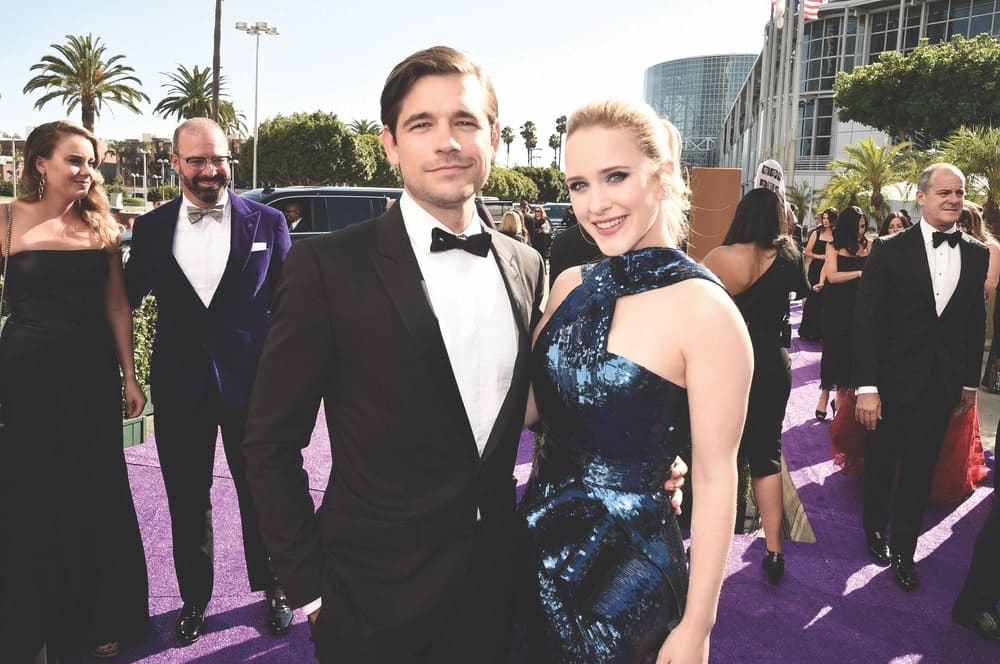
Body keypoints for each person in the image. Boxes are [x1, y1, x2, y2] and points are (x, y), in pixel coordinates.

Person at [240, 46, 547, 663]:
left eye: (465, 122)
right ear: (390, 144)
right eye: (421, 124)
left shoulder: (528, 266)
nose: (447, 142)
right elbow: (269, 444)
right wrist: (311, 589)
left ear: (491, 136)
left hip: (498, 591)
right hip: (369, 600)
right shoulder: (328, 268)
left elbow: (541, 411)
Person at [518, 99, 751, 662]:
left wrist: (698, 625)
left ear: (663, 172)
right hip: (530, 550)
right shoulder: (570, 284)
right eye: (578, 184)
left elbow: (718, 477)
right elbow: (523, 411)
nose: (595, 204)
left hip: (628, 574)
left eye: (615, 176)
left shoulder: (706, 311)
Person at [123, 117, 292, 645]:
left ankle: (274, 588)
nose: (208, 169)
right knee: (187, 499)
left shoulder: (268, 223)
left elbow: (290, 308)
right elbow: (121, 301)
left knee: (261, 493)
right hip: (179, 389)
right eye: (195, 160)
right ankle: (194, 599)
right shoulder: (150, 230)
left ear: (229, 158)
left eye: (216, 158)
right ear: (174, 162)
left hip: (255, 387)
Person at [0, 121, 149, 662]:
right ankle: (30, 620)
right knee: (30, 495)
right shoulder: (8, 219)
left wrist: (130, 375)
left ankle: (101, 615)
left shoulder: (102, 225)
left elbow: (116, 304)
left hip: (88, 377)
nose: (87, 172)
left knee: (94, 491)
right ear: (40, 162)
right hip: (23, 376)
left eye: (92, 162)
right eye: (74, 160)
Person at [854, 163, 989, 591]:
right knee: (880, 461)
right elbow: (867, 321)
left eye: (959, 193)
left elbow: (971, 324)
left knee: (919, 469)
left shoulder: (977, 252)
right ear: (921, 197)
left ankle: (905, 552)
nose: (953, 199)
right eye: (944, 192)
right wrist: (867, 387)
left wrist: (969, 382)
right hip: (889, 383)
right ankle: (874, 528)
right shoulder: (890, 249)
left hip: (939, 385)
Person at [703, 188, 809, 585]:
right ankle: (775, 550)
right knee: (766, 453)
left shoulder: (720, 258)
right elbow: (799, 290)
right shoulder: (790, 254)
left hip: (730, 360)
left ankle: (713, 541)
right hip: (773, 362)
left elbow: (699, 307)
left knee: (720, 454)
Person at [816, 206, 869, 420]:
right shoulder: (833, 246)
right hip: (836, 305)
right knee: (833, 349)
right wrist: (859, 273)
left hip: (859, 306)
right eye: (858, 226)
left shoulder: (870, 246)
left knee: (850, 352)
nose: (861, 231)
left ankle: (840, 397)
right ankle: (825, 392)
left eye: (864, 226)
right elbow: (832, 276)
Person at [799, 208, 836, 342]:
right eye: (824, 218)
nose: (825, 221)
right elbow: (806, 252)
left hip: (831, 270)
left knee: (825, 301)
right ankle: (807, 331)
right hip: (816, 269)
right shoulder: (816, 233)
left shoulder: (837, 235)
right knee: (813, 300)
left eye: (828, 218)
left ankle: (821, 333)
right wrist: (819, 256)